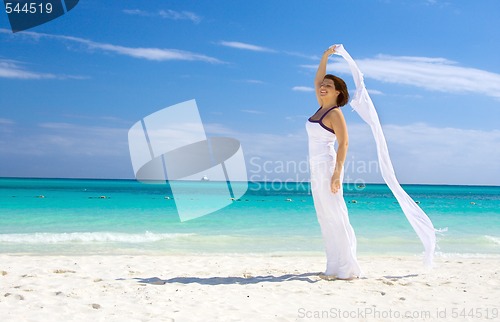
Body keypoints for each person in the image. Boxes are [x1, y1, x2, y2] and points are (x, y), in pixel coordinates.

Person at [305, 45, 361, 280]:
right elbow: (317, 78)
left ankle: (347, 268)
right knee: (324, 216)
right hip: (315, 169)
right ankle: (334, 267)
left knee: (336, 215)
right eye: (323, 85)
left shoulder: (335, 113)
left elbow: (344, 144)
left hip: (328, 168)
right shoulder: (321, 107)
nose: (323, 86)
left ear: (338, 92)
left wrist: (337, 175)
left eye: (329, 85)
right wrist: (325, 57)